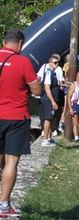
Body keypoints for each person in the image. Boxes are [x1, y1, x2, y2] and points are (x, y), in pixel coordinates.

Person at [0, 29, 41, 218]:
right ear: (20, 43)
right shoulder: (22, 61)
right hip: (16, 117)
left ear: (4, 41)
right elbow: (37, 90)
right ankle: (3, 206)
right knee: (11, 161)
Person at [40, 55, 61, 146]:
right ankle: (45, 139)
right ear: (50, 63)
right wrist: (52, 101)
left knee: (52, 118)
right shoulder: (49, 73)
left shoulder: (53, 72)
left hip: (53, 98)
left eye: (57, 63)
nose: (56, 64)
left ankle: (49, 137)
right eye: (55, 62)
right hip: (48, 99)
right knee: (48, 118)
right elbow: (47, 87)